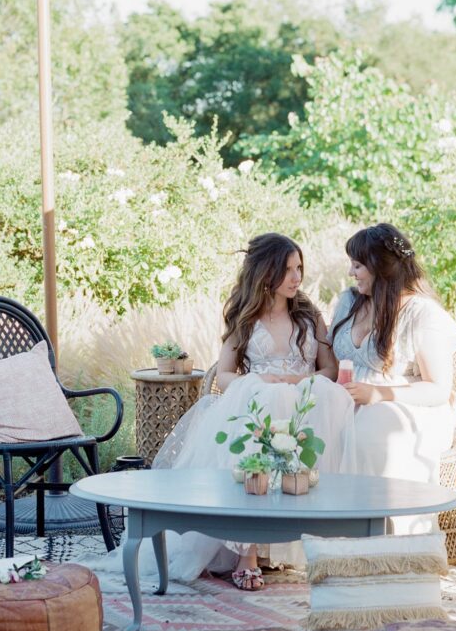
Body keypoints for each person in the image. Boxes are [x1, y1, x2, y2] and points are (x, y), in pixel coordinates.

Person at [151, 232, 356, 587]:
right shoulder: (244, 318)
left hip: (306, 403)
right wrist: (260, 381)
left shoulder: (308, 316)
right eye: (289, 270)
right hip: (258, 403)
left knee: (310, 401)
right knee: (261, 406)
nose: (297, 278)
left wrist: (296, 383)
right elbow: (226, 374)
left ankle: (313, 542)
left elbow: (329, 369)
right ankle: (246, 551)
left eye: (299, 269)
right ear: (266, 273)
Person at [329, 223, 456, 534]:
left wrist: (378, 394)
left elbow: (438, 389)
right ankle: (320, 536)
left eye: (358, 265)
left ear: (379, 268)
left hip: (405, 401)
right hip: (351, 394)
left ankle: (377, 538)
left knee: (370, 432)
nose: (352, 272)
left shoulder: (421, 314)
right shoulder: (350, 303)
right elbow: (333, 360)